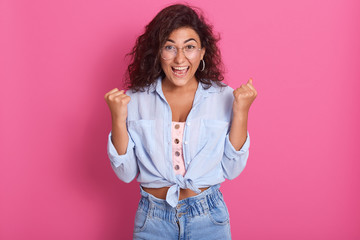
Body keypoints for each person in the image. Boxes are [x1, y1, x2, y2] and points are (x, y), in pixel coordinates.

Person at [104, 3, 257, 240]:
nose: (180, 58)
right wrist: (117, 118)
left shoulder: (225, 96)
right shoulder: (133, 100)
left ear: (203, 52)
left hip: (209, 218)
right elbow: (126, 173)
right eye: (169, 47)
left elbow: (232, 169)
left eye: (190, 47)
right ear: (157, 52)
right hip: (153, 219)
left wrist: (242, 112)